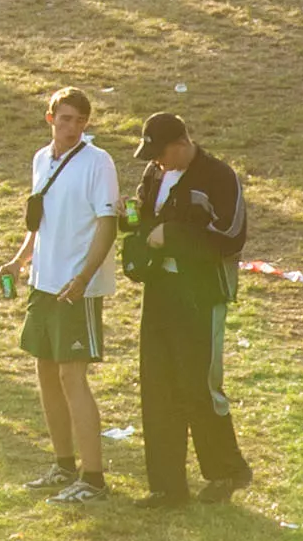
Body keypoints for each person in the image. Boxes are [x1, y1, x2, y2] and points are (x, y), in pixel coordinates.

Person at [126, 112, 253, 507]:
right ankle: (167, 486)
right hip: (160, 291)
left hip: (201, 294)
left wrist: (173, 236)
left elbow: (231, 236)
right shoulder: (153, 174)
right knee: (159, 385)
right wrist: (128, 222)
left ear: (181, 142)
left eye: (161, 153)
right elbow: (140, 217)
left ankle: (227, 472)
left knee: (200, 385)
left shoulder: (219, 176)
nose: (157, 163)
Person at [18, 88, 121, 508]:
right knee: (46, 371)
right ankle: (63, 464)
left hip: (76, 288)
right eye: (65, 119)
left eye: (80, 120)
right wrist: (19, 259)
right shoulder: (42, 159)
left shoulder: (99, 163)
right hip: (43, 282)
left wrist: (83, 277)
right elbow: (37, 219)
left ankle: (93, 477)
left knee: (72, 377)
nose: (72, 127)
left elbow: (108, 223)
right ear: (50, 118)